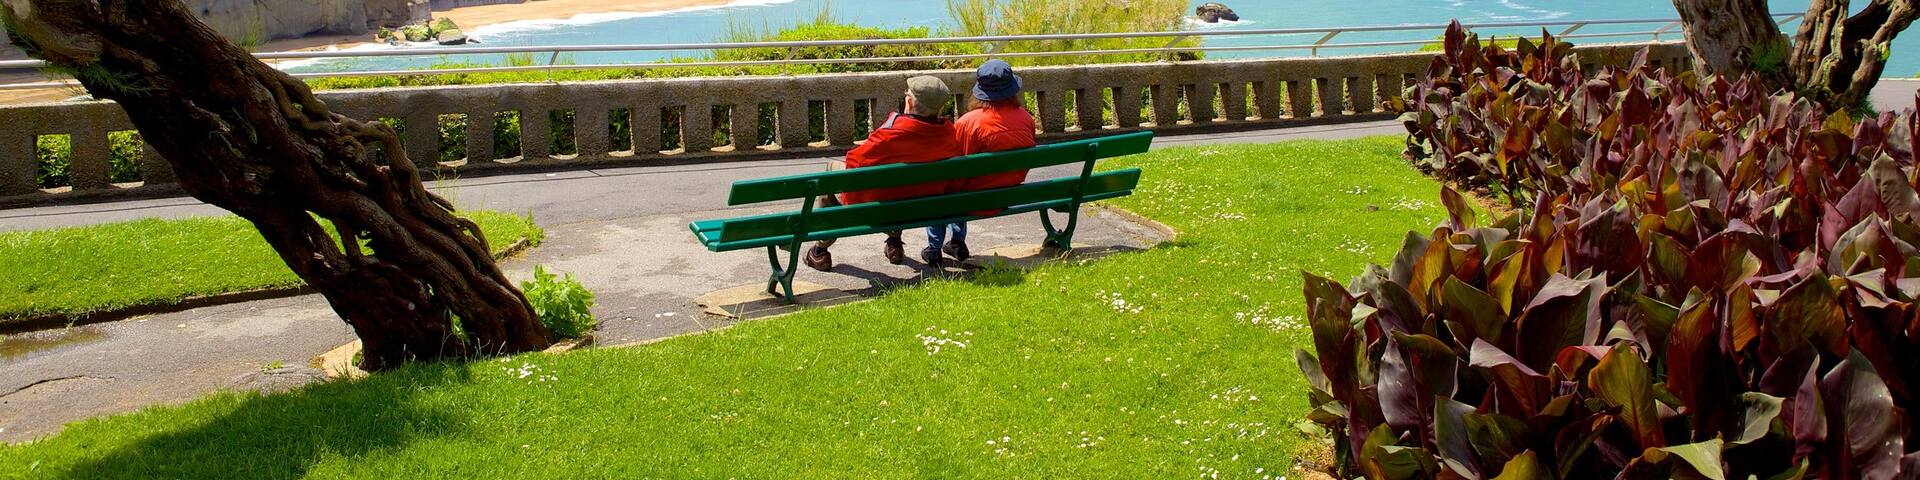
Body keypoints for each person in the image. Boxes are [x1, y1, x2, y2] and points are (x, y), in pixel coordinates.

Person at [804, 75, 963, 272]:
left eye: (907, 94)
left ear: (910, 101)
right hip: (922, 207)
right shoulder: (948, 134)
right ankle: (894, 242)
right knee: (904, 184)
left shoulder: (889, 136)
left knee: (831, 172)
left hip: (885, 208)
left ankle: (820, 250)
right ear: (939, 108)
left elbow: (854, 162)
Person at [928, 59, 1037, 265]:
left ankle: (935, 247)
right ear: (1012, 90)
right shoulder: (1026, 119)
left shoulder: (969, 122)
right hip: (1011, 193)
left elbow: (955, 168)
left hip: (975, 200)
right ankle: (956, 243)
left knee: (942, 188)